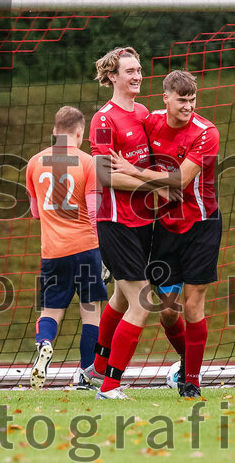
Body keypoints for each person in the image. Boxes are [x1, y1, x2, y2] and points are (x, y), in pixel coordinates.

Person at [109, 70, 221, 398]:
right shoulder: (151, 121)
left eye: (192, 100)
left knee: (193, 303)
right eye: (182, 100)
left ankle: (192, 380)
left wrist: (133, 171)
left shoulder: (206, 132)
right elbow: (126, 137)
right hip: (168, 226)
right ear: (166, 99)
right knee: (168, 313)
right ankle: (188, 363)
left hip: (202, 225)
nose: (188, 107)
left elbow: (179, 181)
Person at [84, 46, 171, 400]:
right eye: (129, 71)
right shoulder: (102, 120)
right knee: (143, 302)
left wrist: (151, 178)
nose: (137, 76)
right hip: (115, 222)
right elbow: (106, 176)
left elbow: (145, 167)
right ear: (111, 77)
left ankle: (96, 369)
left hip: (142, 221)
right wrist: (156, 185)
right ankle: (110, 385)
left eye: (139, 69)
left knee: (120, 298)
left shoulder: (144, 112)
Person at [25, 106, 108, 390]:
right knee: (90, 311)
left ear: (54, 131)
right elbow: (96, 215)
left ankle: (44, 344)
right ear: (80, 133)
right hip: (86, 247)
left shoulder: (34, 163)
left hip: (53, 251)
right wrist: (104, 255)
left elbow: (36, 212)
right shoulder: (89, 162)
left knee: (50, 311)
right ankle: (86, 377)